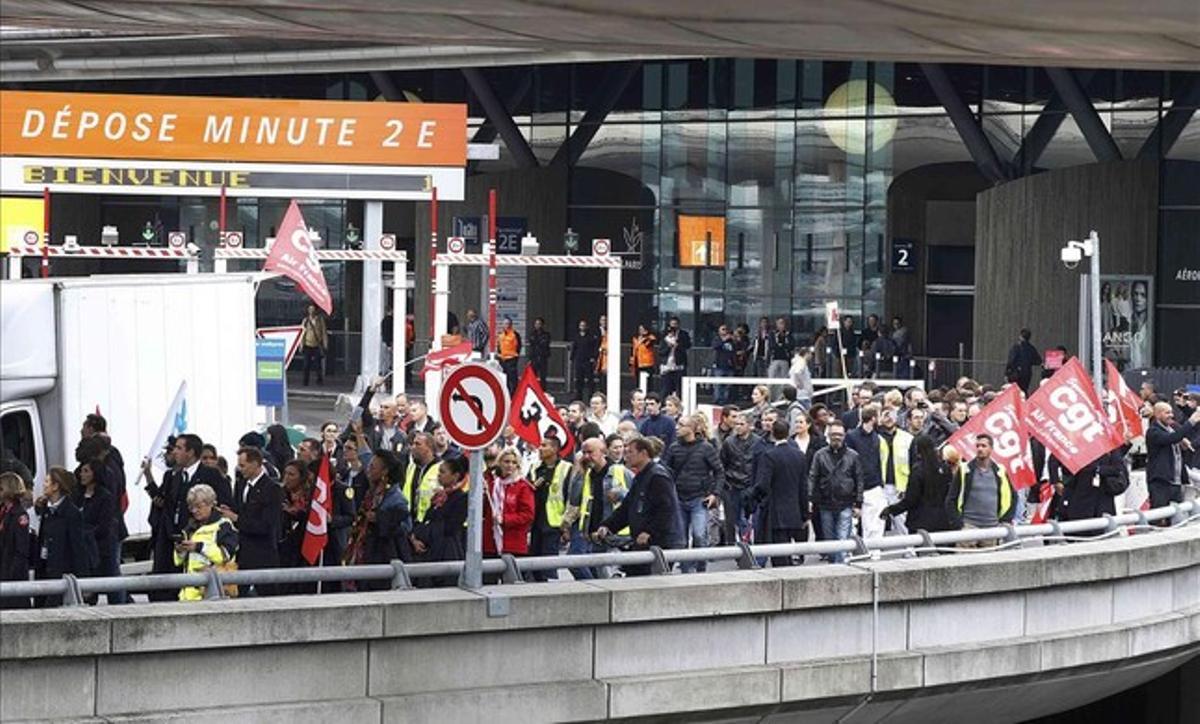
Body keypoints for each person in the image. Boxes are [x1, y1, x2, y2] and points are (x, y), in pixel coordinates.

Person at [594, 436, 682, 576]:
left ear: (644, 453)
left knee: (647, 581)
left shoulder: (657, 476)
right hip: (644, 542)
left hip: (659, 543)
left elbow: (666, 509)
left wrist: (649, 532)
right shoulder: (641, 477)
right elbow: (627, 508)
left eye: (630, 452)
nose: (626, 455)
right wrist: (608, 525)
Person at [661, 414, 724, 573]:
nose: (677, 427)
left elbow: (719, 472)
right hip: (679, 498)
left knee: (699, 536)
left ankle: (700, 569)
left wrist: (714, 494)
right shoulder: (674, 448)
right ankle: (686, 571)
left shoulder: (706, 448)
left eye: (681, 425)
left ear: (692, 429)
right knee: (680, 540)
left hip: (699, 498)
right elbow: (665, 471)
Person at [343, 450, 412, 590]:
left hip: (382, 556)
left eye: (373, 467)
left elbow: (405, 527)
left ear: (384, 471)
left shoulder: (396, 499)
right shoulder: (372, 493)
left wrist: (380, 518)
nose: (368, 470)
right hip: (365, 553)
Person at [221, 447, 282, 597]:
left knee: (267, 596)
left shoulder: (272, 488)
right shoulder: (241, 485)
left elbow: (267, 525)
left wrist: (237, 519)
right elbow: (240, 510)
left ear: (255, 464)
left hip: (263, 554)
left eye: (243, 465)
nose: (239, 469)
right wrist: (229, 511)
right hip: (242, 553)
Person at [565, 437, 629, 579]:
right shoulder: (587, 474)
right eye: (584, 453)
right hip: (593, 536)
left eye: (590, 452)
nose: (587, 457)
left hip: (613, 536)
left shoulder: (619, 471)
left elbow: (636, 496)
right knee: (596, 577)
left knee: (608, 580)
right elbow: (575, 499)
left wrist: (620, 494)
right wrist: (580, 473)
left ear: (603, 452)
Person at [752, 420, 810, 567]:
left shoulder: (769, 456)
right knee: (788, 550)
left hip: (775, 511)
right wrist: (805, 514)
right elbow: (803, 488)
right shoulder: (799, 456)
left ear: (773, 433)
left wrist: (756, 500)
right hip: (794, 510)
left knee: (779, 554)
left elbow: (762, 484)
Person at [33, 467, 90, 607]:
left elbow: (78, 548)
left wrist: (84, 581)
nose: (44, 485)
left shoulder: (72, 513)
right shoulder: (47, 510)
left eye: (47, 481)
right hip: (44, 570)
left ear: (56, 486)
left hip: (61, 572)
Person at [946, 433, 1015, 548]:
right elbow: (951, 498)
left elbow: (1013, 496)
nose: (980, 449)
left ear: (991, 449)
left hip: (992, 528)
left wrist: (1005, 520)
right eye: (977, 446)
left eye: (983, 446)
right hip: (969, 527)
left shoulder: (1000, 471)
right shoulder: (964, 469)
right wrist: (958, 524)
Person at [807, 422, 862, 564]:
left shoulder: (853, 456)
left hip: (846, 503)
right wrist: (810, 499)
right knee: (829, 539)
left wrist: (858, 503)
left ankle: (839, 566)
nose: (836, 437)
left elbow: (859, 480)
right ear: (828, 436)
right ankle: (834, 565)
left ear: (844, 436)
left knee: (842, 538)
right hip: (825, 503)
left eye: (839, 434)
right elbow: (813, 477)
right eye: (833, 434)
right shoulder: (820, 455)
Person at [409, 454, 468, 585]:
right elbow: (426, 519)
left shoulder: (460, 498)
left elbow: (449, 527)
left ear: (455, 476)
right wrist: (415, 537)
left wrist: (425, 533)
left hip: (446, 553)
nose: (439, 475)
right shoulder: (439, 497)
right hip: (429, 552)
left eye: (443, 472)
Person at [173, 483, 237, 601]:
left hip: (213, 592)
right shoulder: (189, 527)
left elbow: (225, 555)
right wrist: (180, 550)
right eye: (191, 507)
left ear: (210, 504)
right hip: (188, 593)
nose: (194, 511)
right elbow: (178, 562)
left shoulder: (223, 525)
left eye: (198, 506)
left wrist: (199, 547)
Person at [881, 436, 953, 533]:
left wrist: (891, 510)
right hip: (942, 520)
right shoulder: (945, 469)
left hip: (920, 521)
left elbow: (911, 499)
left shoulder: (918, 470)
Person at [528, 437, 572, 581]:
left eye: (544, 445)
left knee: (549, 564)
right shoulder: (535, 468)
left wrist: (567, 525)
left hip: (554, 523)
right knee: (534, 561)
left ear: (555, 449)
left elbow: (570, 497)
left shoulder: (566, 468)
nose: (540, 448)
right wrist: (533, 487)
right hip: (535, 522)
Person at [73, 459, 115, 604]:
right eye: (81, 471)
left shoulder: (105, 497)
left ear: (95, 474)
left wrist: (87, 534)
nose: (82, 475)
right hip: (79, 548)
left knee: (93, 588)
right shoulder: (78, 495)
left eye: (86, 471)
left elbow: (104, 526)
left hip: (96, 549)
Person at [482, 449, 536, 560]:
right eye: (506, 462)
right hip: (490, 543)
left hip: (514, 545)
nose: (510, 465)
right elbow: (484, 511)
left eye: (514, 462)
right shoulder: (492, 485)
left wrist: (505, 519)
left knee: (512, 577)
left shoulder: (523, 487)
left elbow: (527, 515)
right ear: (499, 463)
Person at [1145, 402, 1200, 510]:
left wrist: (1182, 444)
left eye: (1171, 412)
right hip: (1160, 483)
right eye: (1167, 413)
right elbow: (1171, 438)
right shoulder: (1153, 431)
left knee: (1177, 517)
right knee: (1159, 517)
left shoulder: (1171, 429)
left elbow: (1177, 436)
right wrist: (1191, 421)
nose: (1171, 415)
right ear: (1157, 414)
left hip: (1176, 482)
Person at [845, 405, 887, 539]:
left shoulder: (877, 437)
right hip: (856, 485)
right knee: (854, 523)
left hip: (873, 485)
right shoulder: (852, 436)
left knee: (875, 522)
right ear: (874, 418)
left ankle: (874, 551)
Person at [720, 410, 755, 545]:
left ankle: (746, 542)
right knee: (734, 518)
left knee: (746, 518)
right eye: (736, 424)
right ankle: (737, 544)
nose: (738, 427)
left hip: (750, 485)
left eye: (741, 424)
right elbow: (722, 463)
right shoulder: (729, 442)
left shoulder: (757, 442)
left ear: (749, 426)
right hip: (732, 485)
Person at [877, 406, 914, 535]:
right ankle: (874, 553)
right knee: (876, 523)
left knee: (902, 522)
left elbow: (912, 463)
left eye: (891, 415)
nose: (889, 418)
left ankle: (909, 552)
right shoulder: (875, 437)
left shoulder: (907, 438)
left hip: (900, 487)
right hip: (879, 485)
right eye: (885, 415)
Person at [0, 472, 33, 609]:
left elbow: (21, 549)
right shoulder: (4, 511)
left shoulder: (19, 515)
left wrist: (11, 573)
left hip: (11, 573)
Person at [658, 316, 691, 399]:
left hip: (678, 365)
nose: (673, 327)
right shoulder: (664, 336)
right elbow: (661, 351)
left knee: (679, 388)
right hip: (667, 365)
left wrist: (678, 346)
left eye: (675, 324)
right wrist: (669, 346)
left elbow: (688, 345)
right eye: (672, 325)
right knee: (665, 388)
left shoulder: (683, 334)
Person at [570, 318, 600, 403]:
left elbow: (594, 348)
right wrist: (572, 358)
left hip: (588, 360)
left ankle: (591, 396)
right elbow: (574, 347)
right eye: (581, 325)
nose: (582, 327)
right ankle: (579, 396)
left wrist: (593, 357)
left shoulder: (590, 337)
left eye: (584, 325)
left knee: (590, 379)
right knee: (579, 379)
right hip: (579, 360)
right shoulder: (576, 336)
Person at [1006, 328, 1042, 395]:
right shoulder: (1031, 348)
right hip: (1027, 373)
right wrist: (1029, 362)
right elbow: (1038, 361)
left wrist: (1007, 372)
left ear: (1020, 336)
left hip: (1016, 373)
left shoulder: (1016, 347)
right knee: (1024, 391)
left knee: (1014, 392)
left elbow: (1011, 360)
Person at [300, 303, 328, 386]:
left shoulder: (320, 320)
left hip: (317, 345)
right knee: (306, 364)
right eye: (310, 309)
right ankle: (305, 381)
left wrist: (325, 344)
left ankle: (319, 381)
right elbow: (302, 333)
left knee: (318, 365)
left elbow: (324, 332)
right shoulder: (305, 320)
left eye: (313, 309)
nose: (311, 311)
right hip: (308, 344)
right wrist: (301, 345)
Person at [711, 324, 736, 404]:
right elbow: (715, 346)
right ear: (719, 331)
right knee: (718, 385)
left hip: (730, 366)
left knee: (728, 386)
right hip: (719, 365)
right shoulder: (717, 339)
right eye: (723, 329)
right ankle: (717, 400)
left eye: (726, 329)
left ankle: (725, 401)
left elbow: (735, 349)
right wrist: (724, 340)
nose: (725, 331)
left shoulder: (731, 341)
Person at [498, 316, 522, 395]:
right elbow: (499, 346)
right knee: (505, 378)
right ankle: (507, 394)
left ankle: (514, 394)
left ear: (511, 325)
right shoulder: (501, 335)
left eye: (508, 324)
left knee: (512, 379)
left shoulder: (515, 334)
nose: (506, 325)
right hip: (503, 360)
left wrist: (516, 356)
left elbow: (519, 346)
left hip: (511, 359)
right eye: (505, 324)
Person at [630, 323, 657, 392]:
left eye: (643, 329)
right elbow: (632, 349)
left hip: (647, 363)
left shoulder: (650, 338)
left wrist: (646, 336)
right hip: (637, 363)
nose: (641, 331)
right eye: (640, 329)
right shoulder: (635, 338)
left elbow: (649, 343)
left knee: (648, 382)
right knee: (638, 381)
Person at [527, 317, 552, 385]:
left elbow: (544, 343)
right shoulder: (532, 334)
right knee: (533, 375)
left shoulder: (546, 334)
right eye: (536, 324)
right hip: (534, 357)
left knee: (543, 376)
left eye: (539, 324)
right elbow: (532, 343)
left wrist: (538, 342)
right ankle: (534, 390)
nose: (538, 325)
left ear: (542, 325)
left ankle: (543, 391)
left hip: (543, 357)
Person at [768, 316, 794, 381]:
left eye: (783, 323)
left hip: (785, 359)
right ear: (776, 324)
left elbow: (791, 346)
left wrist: (781, 345)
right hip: (774, 359)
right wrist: (781, 346)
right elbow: (772, 345)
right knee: (772, 377)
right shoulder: (773, 334)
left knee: (784, 378)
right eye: (780, 323)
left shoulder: (788, 334)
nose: (782, 325)